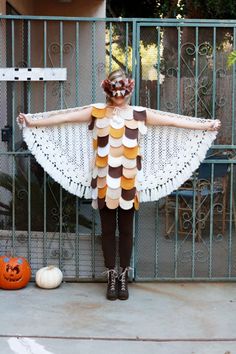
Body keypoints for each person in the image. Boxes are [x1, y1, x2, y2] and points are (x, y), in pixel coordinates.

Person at [17, 69, 221, 301]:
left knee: (125, 231)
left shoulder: (138, 114)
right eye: (115, 89)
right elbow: (64, 118)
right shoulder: (97, 111)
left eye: (122, 89)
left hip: (128, 183)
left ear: (128, 89)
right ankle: (111, 277)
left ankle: (123, 277)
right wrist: (33, 121)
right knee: (106, 231)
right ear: (108, 89)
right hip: (104, 183)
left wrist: (204, 126)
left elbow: (173, 121)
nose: (119, 95)